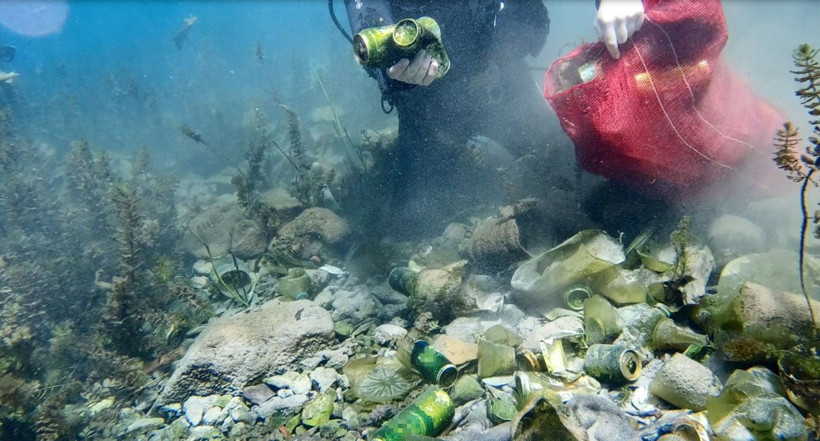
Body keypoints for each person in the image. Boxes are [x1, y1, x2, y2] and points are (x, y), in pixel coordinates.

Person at [341, 0, 644, 237]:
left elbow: (531, 23)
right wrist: (392, 73)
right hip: (427, 113)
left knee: (581, 174)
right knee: (412, 223)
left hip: (502, 86)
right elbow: (368, 25)